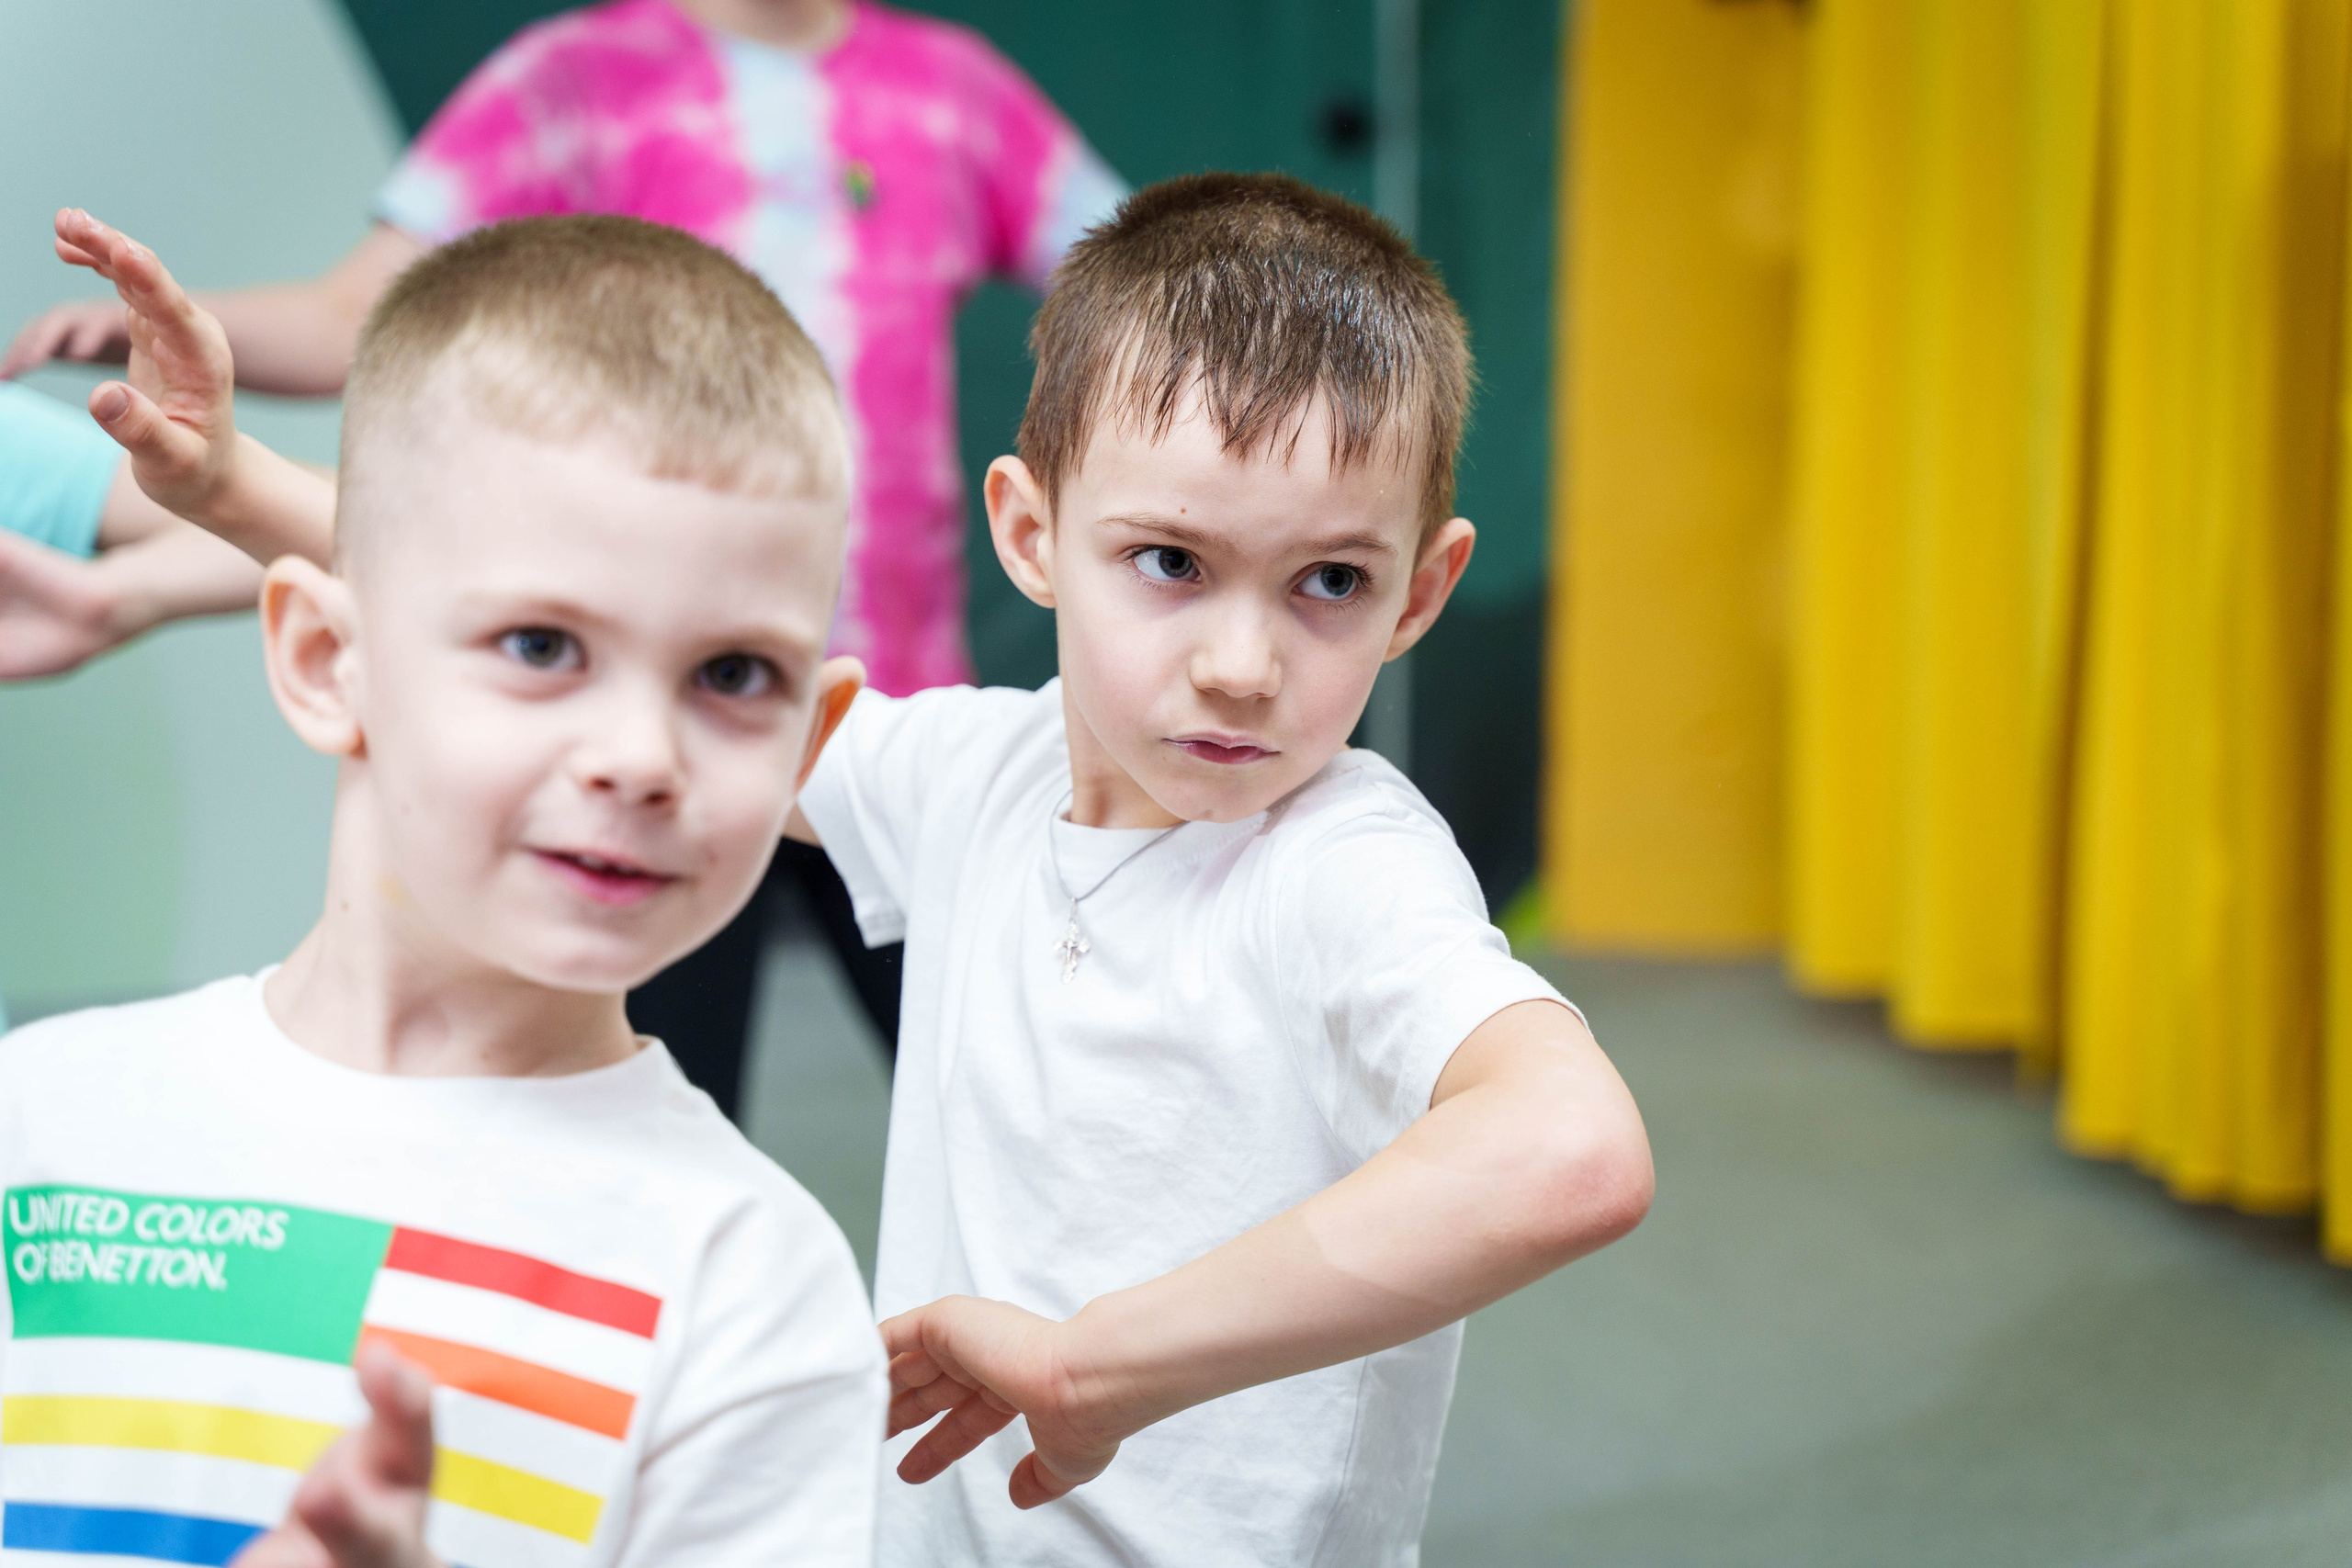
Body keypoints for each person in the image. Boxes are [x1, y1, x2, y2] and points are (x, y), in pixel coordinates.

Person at [4, 0, 1128, 1110]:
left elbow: (1138, 293)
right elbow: (362, 316)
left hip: (886, 716)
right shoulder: (579, 78)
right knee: (629, 1094)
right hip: (646, 722)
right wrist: (180, 336)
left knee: (1011, 1107)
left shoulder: (952, 91)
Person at [0, 212, 885, 1567]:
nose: (641, 758)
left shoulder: (754, 1287)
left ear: (811, 743)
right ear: (323, 660)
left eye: (733, 676)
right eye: (543, 644)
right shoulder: (38, 1131)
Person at [797, 174, 1655, 1564]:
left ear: (1419, 594)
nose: (1244, 666)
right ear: (1032, 534)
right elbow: (633, 689)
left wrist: (1101, 1364)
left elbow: (1573, 1149)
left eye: (1328, 583)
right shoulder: (971, 774)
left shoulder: (1342, 866)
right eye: (1170, 561)